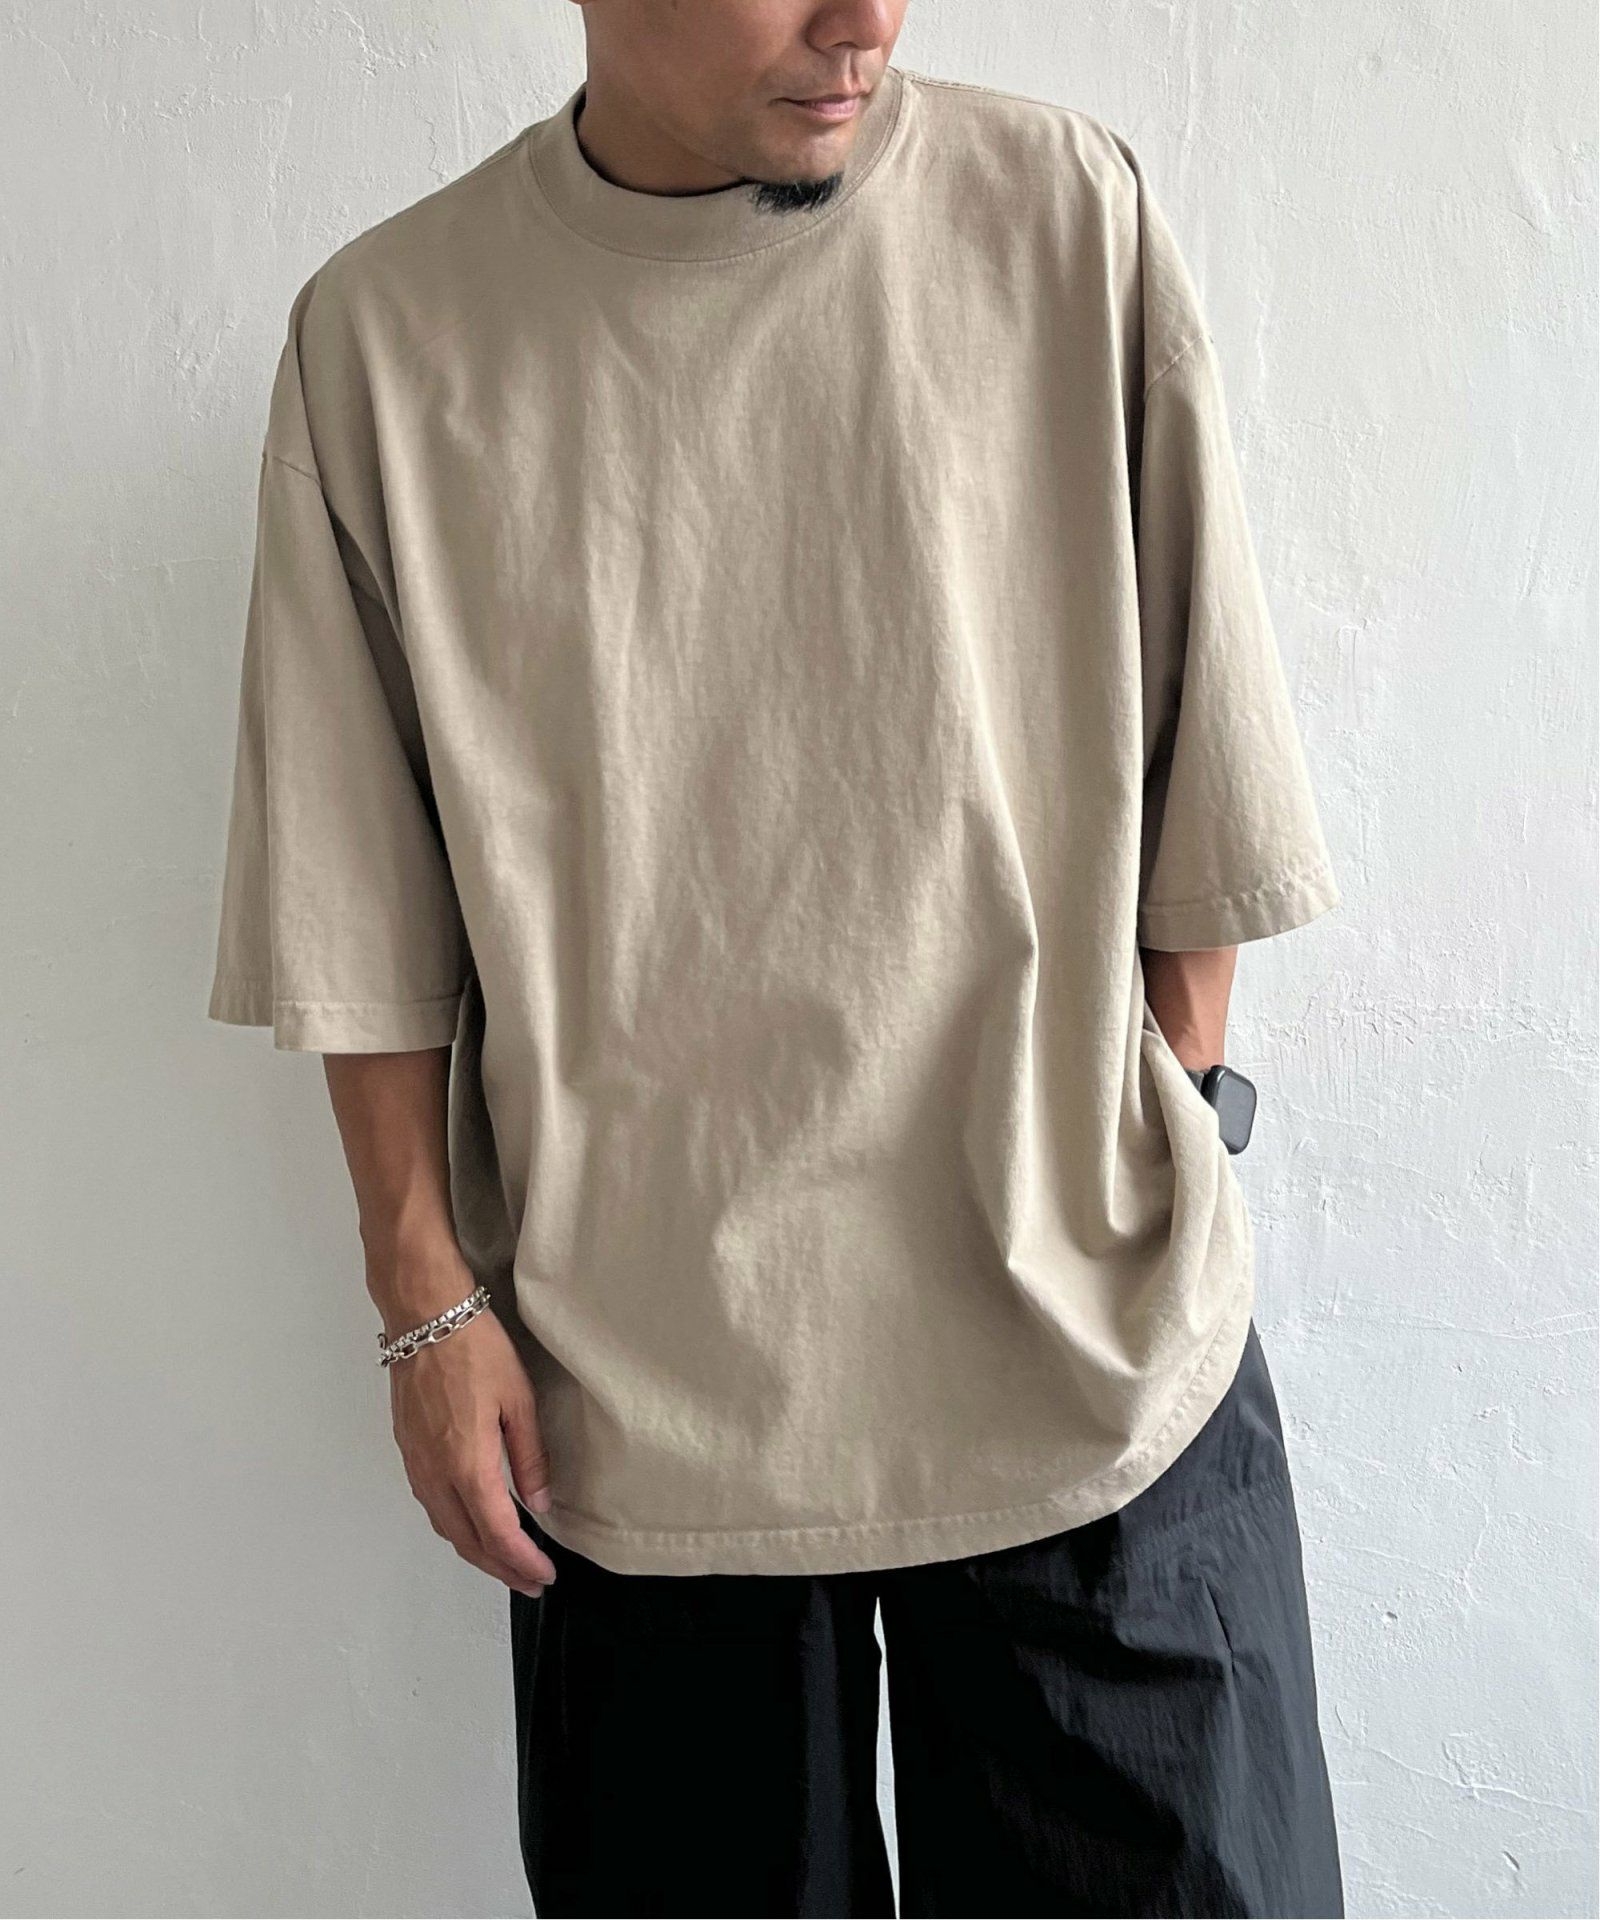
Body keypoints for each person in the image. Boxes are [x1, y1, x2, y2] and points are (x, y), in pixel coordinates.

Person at [206, 3, 1347, 1914]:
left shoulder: (1061, 215)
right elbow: (356, 892)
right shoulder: (387, 343)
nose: (866, 18)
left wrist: (1166, 1106)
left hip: (1093, 1363)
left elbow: (1201, 754)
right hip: (639, 1415)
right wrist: (423, 1305)